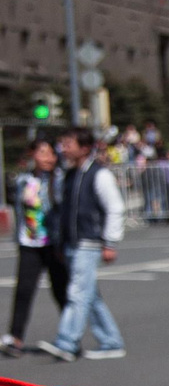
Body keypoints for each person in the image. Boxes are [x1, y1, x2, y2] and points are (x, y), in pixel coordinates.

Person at [41, 128, 126, 362]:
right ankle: (111, 341)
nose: (64, 148)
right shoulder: (70, 175)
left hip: (89, 242)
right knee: (90, 295)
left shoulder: (99, 174)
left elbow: (115, 208)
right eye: (63, 143)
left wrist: (110, 242)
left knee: (77, 293)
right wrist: (60, 242)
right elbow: (63, 211)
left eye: (69, 144)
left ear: (85, 148)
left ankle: (67, 343)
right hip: (72, 243)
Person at [3, 135, 67, 356]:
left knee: (60, 290)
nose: (48, 158)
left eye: (51, 153)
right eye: (42, 153)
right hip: (29, 243)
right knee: (23, 290)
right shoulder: (23, 180)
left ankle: (70, 336)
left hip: (53, 243)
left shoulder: (59, 179)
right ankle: (16, 338)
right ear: (32, 155)